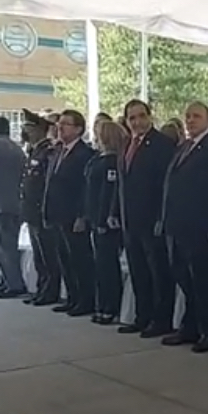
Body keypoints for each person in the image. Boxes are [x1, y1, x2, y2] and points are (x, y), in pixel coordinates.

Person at [160, 101, 208, 353]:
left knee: (202, 280)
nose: (190, 120)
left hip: (200, 226)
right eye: (188, 116)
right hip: (177, 224)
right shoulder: (185, 146)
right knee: (183, 276)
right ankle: (189, 326)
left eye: (196, 116)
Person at [116, 99, 177, 338]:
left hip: (152, 220)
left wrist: (161, 218)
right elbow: (122, 183)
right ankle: (142, 317)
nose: (137, 122)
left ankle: (161, 320)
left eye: (141, 116)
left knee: (158, 272)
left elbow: (166, 186)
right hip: (129, 220)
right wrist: (115, 212)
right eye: (132, 118)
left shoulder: (162, 144)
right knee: (138, 271)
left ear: (150, 116)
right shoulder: (126, 144)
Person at [43, 109, 96, 316]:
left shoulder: (84, 154)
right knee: (64, 258)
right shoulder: (58, 151)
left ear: (78, 129)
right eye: (60, 123)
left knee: (79, 259)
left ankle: (85, 300)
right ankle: (73, 297)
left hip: (74, 215)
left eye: (66, 124)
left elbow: (85, 188)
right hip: (57, 214)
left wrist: (82, 215)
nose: (60, 127)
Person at [84, 121, 124, 325]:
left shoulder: (112, 162)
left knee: (108, 265)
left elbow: (108, 194)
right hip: (94, 218)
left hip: (104, 222)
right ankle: (102, 304)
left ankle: (111, 306)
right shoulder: (97, 159)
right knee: (100, 265)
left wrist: (103, 218)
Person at [20, 109, 60, 305]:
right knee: (38, 255)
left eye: (29, 129)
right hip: (32, 210)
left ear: (38, 130)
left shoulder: (47, 151)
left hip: (41, 210)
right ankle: (41, 288)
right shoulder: (34, 150)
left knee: (47, 255)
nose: (26, 132)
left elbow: (45, 184)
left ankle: (50, 291)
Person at [0, 116, 27, 298]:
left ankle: (13, 283)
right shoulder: (16, 148)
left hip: (2, 204)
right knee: (9, 245)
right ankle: (10, 280)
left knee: (6, 247)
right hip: (14, 202)